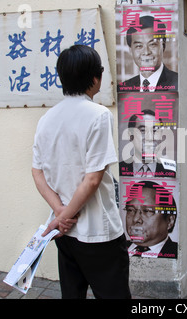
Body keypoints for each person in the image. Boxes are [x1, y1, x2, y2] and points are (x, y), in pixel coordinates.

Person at [31, 45, 131, 299]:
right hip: (96, 231)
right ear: (94, 78)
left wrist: (59, 214)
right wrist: (65, 215)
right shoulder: (98, 115)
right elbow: (93, 178)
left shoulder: (47, 118)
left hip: (64, 231)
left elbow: (37, 173)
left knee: (72, 293)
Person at [118, 15, 178, 92]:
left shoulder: (179, 83)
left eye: (152, 44)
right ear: (130, 50)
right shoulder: (122, 89)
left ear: (163, 46)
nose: (146, 52)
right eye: (139, 46)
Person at [123, 181, 178, 259]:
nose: (135, 219)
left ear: (169, 221)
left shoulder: (180, 254)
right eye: (131, 210)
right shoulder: (114, 249)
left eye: (147, 211)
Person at [119, 109, 176, 178]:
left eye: (155, 131)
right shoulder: (119, 169)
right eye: (143, 130)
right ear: (130, 136)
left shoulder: (172, 170)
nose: (150, 137)